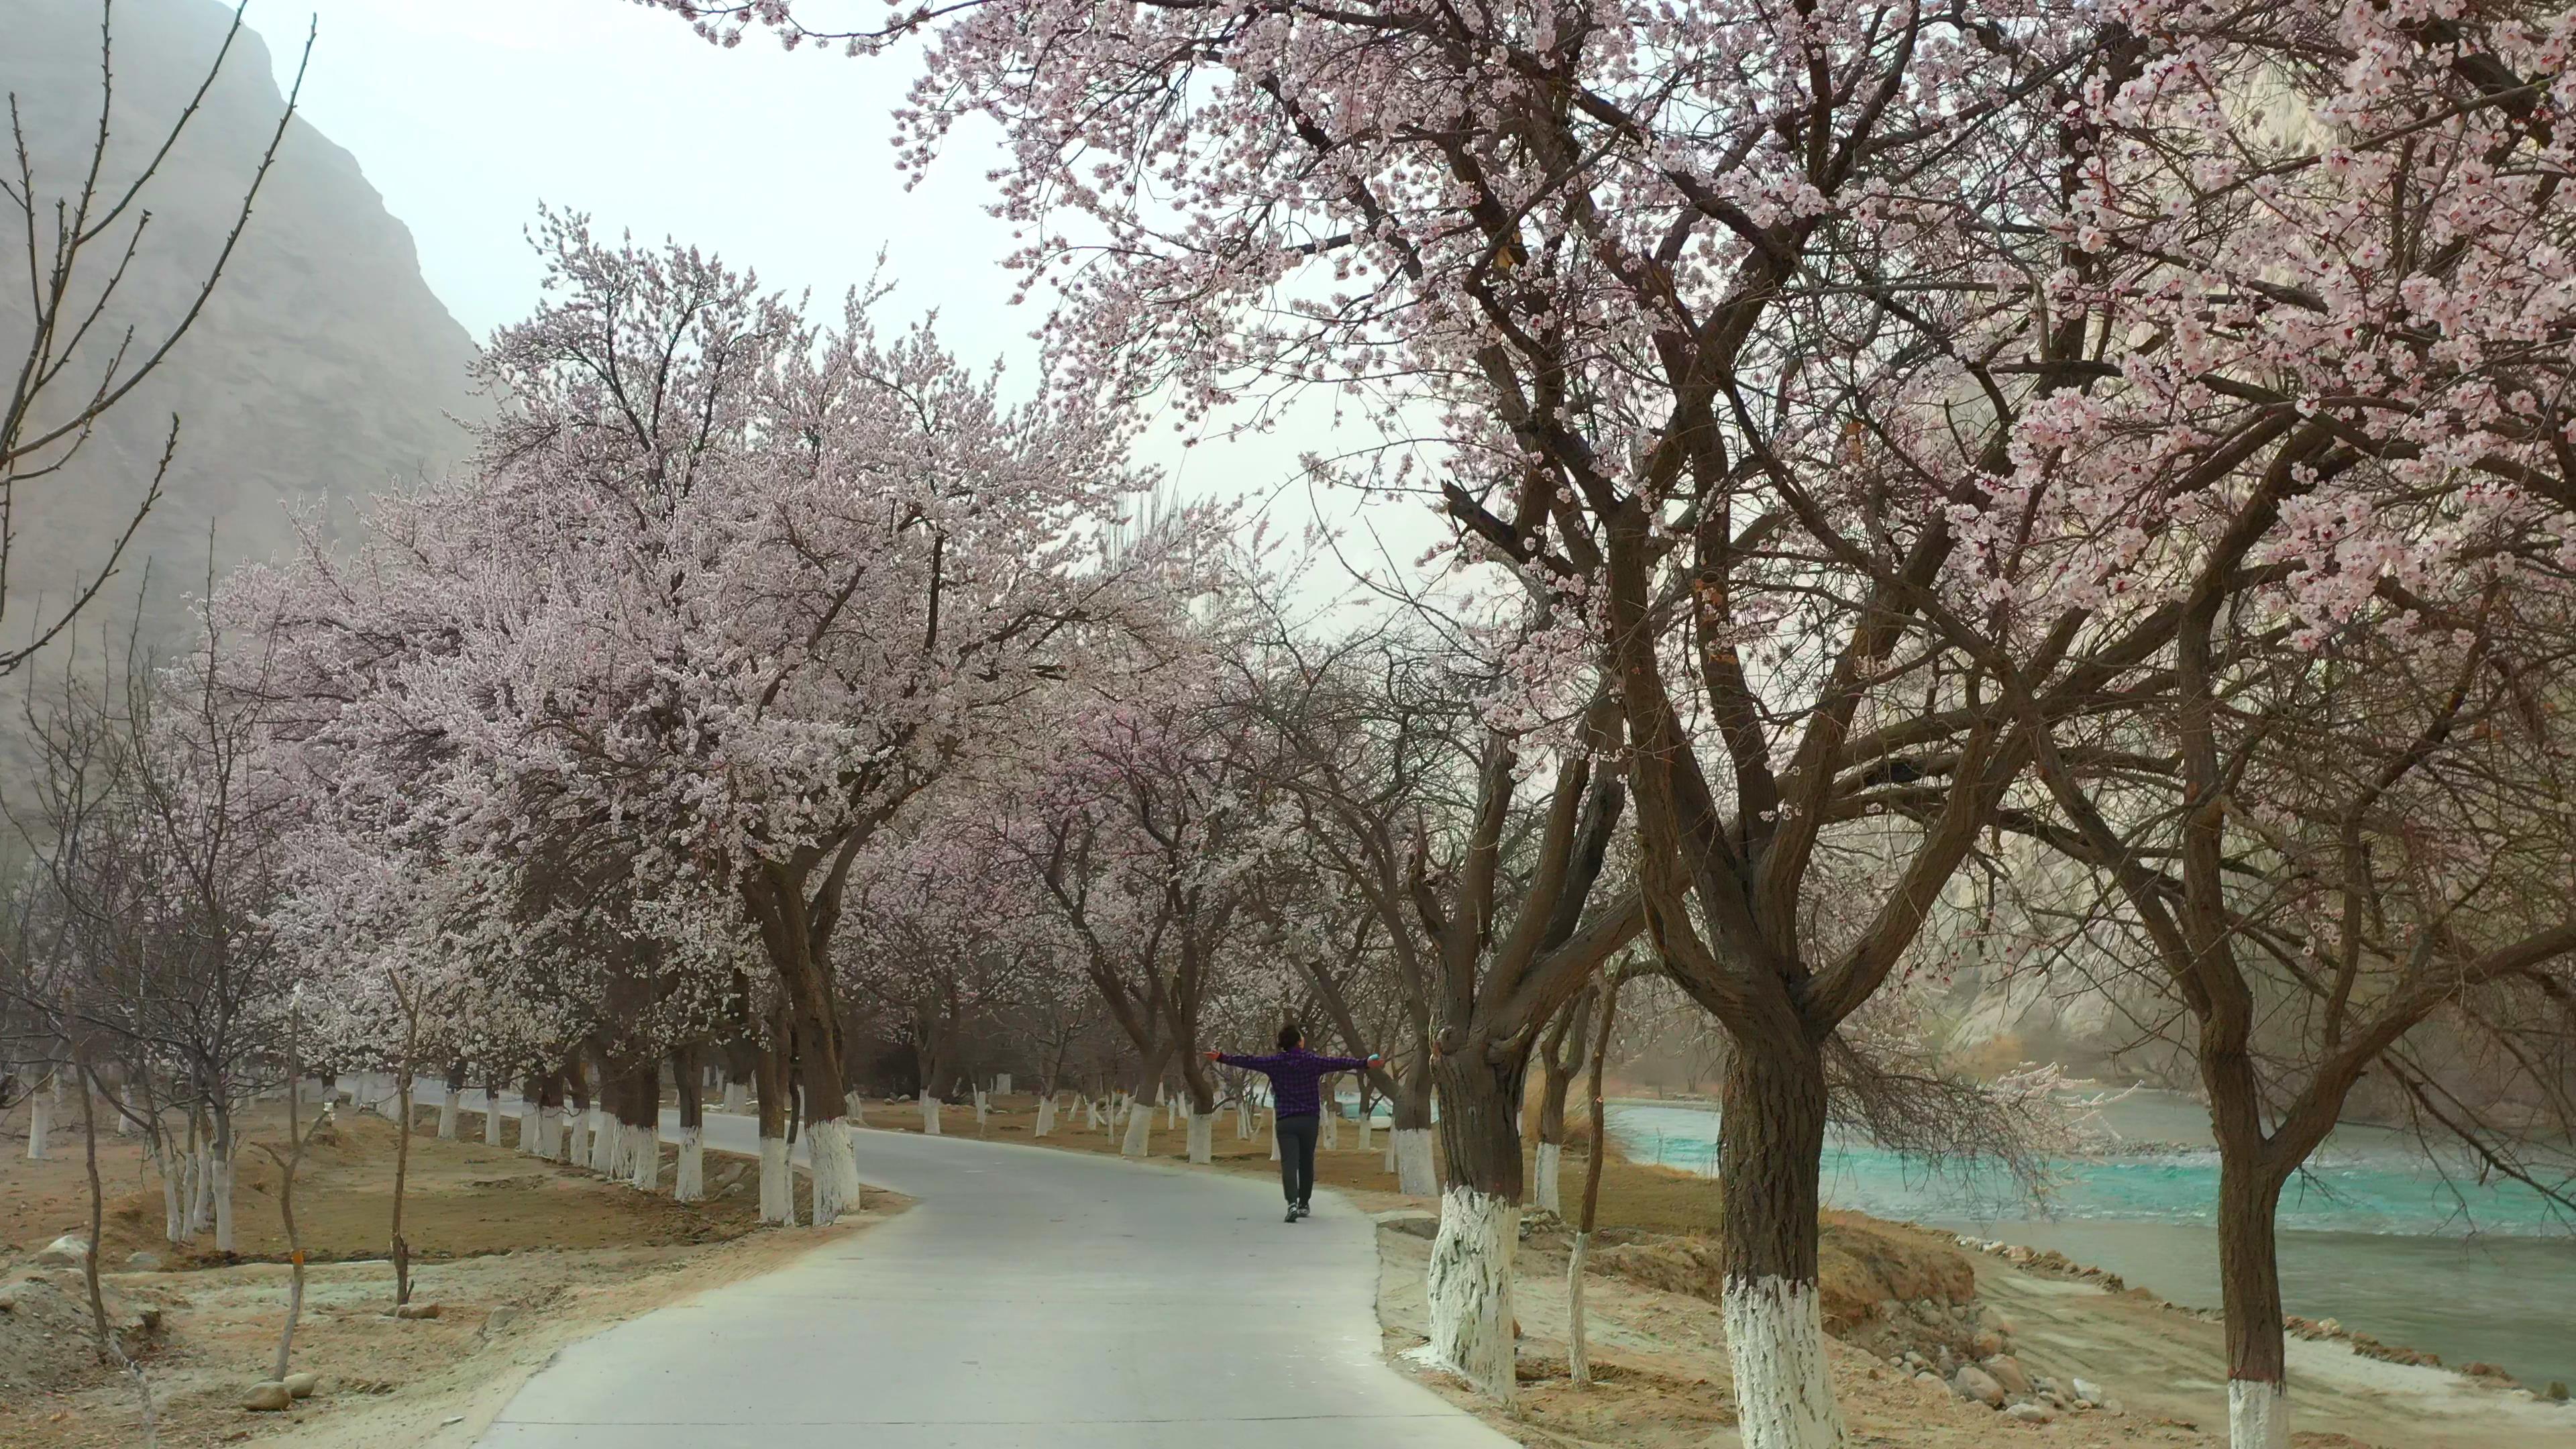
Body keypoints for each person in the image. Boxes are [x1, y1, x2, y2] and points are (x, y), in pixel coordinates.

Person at [1208, 1024, 1381, 1222]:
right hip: (1309, 1120)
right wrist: (1365, 1063)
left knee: (1289, 1164)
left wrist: (1221, 1057)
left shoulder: (1275, 1062)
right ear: (1299, 1042)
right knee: (1306, 1162)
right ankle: (1304, 1204)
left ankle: (1291, 1203)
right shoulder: (1312, 1061)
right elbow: (1339, 1063)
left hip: (1285, 1121)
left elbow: (1250, 1061)